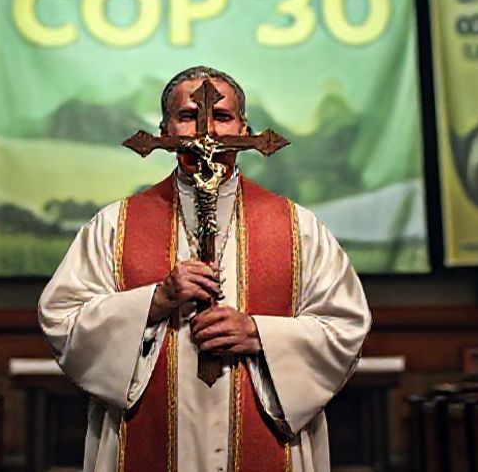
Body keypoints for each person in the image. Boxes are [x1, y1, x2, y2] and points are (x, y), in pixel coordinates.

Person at [39, 65, 371, 471]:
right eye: (187, 116)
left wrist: (260, 334)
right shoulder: (114, 226)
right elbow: (63, 319)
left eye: (222, 116)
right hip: (149, 437)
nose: (205, 129)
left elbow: (345, 325)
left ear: (244, 128)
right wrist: (155, 301)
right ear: (164, 129)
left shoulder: (299, 228)